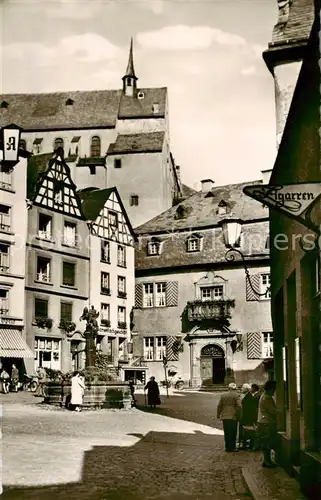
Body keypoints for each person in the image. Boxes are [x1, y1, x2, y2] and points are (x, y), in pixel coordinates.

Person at [257, 380, 278, 468]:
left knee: (265, 442)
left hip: (262, 422)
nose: (274, 391)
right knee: (267, 442)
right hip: (267, 423)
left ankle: (267, 460)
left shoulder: (263, 395)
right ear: (270, 389)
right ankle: (267, 461)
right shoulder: (268, 398)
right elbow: (273, 411)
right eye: (274, 389)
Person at [217, 382, 242, 452]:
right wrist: (238, 415)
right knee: (233, 432)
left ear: (229, 388)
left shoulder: (223, 395)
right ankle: (232, 447)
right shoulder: (236, 395)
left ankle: (227, 447)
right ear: (235, 389)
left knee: (227, 432)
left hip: (225, 416)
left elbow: (219, 406)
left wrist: (218, 414)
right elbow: (239, 406)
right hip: (233, 417)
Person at [239, 383, 258, 450]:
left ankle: (247, 445)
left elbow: (249, 408)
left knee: (248, 432)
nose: (241, 389)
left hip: (247, 417)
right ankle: (246, 445)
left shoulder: (248, 396)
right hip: (247, 416)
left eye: (243, 388)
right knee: (247, 431)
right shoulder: (248, 396)